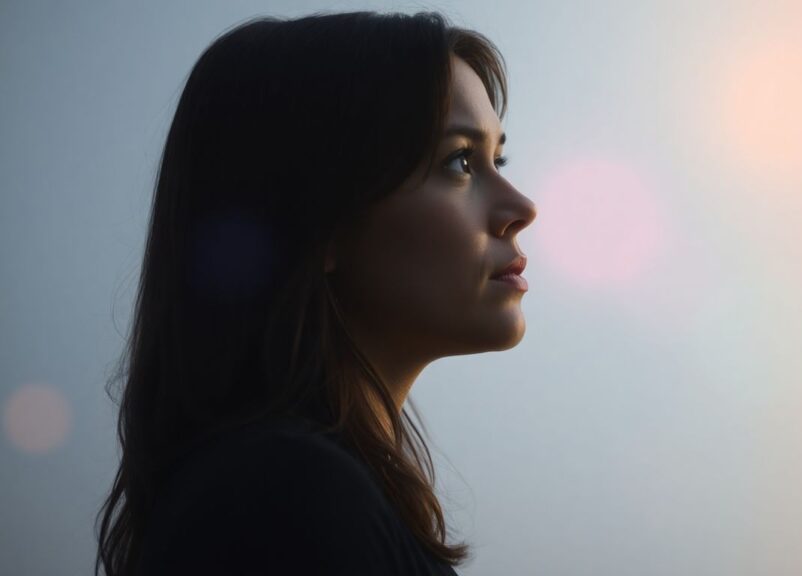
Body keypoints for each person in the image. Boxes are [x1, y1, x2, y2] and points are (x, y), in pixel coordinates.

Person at [93, 10, 537, 576]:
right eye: (460, 161)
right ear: (319, 221)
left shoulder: (287, 489)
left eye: (498, 158)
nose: (522, 208)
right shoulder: (288, 498)